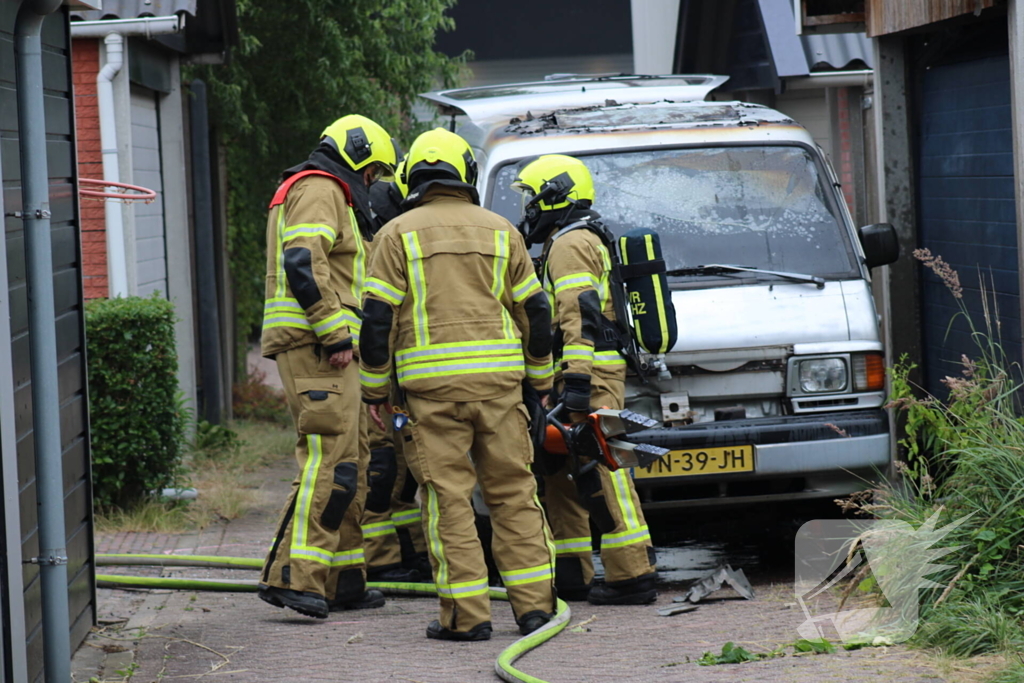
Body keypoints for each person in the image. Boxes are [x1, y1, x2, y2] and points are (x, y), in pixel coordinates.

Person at [359, 128, 557, 641]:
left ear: (413, 177)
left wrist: (375, 392)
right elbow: (536, 311)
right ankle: (536, 609)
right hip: (500, 390)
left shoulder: (395, 234)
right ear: (465, 173)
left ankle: (466, 618)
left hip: (430, 396)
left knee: (448, 501)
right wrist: (540, 382)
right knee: (514, 493)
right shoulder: (501, 231)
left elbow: (377, 320)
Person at [258, 114, 399, 618]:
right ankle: (295, 577)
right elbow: (303, 260)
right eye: (373, 172)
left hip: (329, 348)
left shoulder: (326, 192)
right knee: (330, 462)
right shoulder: (320, 187)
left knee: (352, 461)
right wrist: (333, 330)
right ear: (357, 156)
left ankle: (342, 578)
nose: (373, 183)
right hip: (318, 346)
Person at [511, 154, 659, 606]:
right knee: (561, 473)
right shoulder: (573, 237)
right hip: (576, 371)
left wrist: (576, 381)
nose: (529, 208)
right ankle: (572, 573)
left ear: (556, 195)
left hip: (588, 372)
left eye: (532, 197)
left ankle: (632, 575)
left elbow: (580, 314)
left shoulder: (571, 243)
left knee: (603, 467)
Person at [360, 165, 431, 582]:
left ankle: (414, 553)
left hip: (403, 379)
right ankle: (383, 560)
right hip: (375, 374)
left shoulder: (398, 240)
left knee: (404, 473)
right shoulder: (379, 243)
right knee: (381, 469)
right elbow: (377, 317)